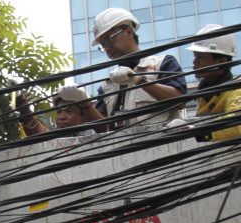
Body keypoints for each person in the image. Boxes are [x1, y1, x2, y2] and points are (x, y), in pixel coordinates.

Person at [57, 7, 188, 133]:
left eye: (109, 39)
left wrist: (139, 80)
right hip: (122, 151)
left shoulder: (161, 63)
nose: (107, 48)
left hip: (162, 147)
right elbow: (102, 128)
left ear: (129, 32)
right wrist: (84, 102)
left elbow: (180, 101)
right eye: (103, 45)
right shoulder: (107, 85)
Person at [186, 24, 241, 142]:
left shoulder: (239, 93)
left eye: (201, 57)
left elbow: (236, 123)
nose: (195, 62)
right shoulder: (204, 93)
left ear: (222, 62)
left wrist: (194, 131)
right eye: (195, 56)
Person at [14, 92, 91, 136]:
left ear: (83, 119)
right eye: (59, 112)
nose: (62, 117)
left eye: (69, 111)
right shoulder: (51, 139)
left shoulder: (91, 145)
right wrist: (19, 97)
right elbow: (33, 125)